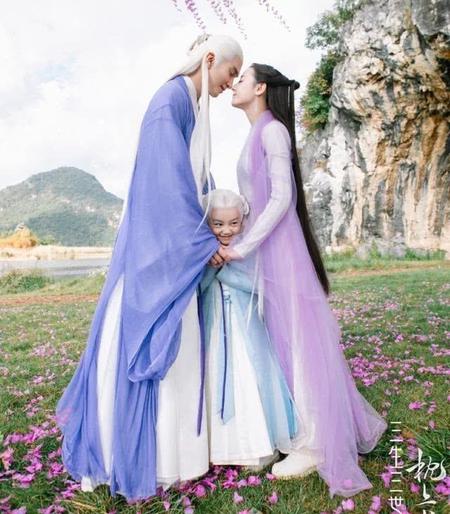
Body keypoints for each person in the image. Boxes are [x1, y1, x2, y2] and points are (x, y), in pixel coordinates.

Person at [55, 34, 243, 502]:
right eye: (231, 71)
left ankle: (177, 457)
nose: (231, 82)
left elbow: (195, 181)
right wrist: (202, 242)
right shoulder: (169, 101)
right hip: (157, 257)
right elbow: (166, 185)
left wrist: (217, 223)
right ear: (210, 58)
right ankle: (146, 457)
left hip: (171, 254)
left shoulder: (189, 106)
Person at [220, 63, 388, 498]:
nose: (234, 84)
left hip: (280, 251)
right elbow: (257, 200)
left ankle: (314, 443)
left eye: (242, 79)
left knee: (296, 340)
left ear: (261, 87)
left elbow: (283, 197)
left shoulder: (273, 131)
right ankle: (295, 424)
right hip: (266, 249)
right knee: (281, 339)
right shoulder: (256, 132)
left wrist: (243, 247)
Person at [199, 189, 297, 471]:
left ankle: (257, 445)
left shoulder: (248, 248)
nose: (226, 230)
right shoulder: (204, 252)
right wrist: (210, 265)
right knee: (215, 373)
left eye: (233, 223)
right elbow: (198, 288)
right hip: (215, 323)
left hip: (246, 326)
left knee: (251, 374)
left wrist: (227, 267)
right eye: (218, 224)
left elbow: (259, 284)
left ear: (243, 222)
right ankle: (219, 446)